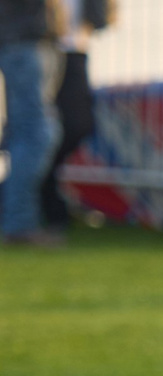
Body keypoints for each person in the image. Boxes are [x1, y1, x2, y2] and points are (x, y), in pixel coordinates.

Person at [35, 0, 102, 234]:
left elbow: (101, 19)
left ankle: (45, 193)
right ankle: (45, 200)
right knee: (40, 130)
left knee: (77, 126)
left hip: (76, 51)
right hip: (44, 49)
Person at [1, 0, 63, 248]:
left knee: (30, 133)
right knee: (36, 135)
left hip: (26, 41)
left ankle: (19, 222)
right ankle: (19, 225)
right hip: (25, 43)